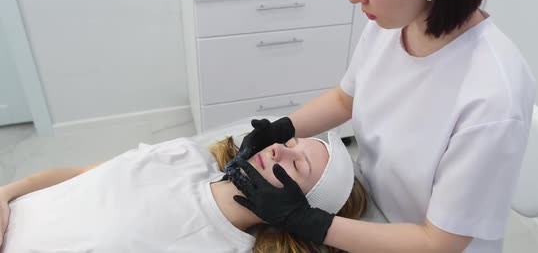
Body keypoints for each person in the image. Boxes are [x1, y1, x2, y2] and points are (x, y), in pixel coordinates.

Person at [226, 0, 536, 252]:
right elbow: (345, 100)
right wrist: (281, 129)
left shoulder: (491, 98)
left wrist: (307, 221)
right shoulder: (397, 21)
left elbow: (438, 242)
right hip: (375, 212)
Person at [0, 132, 367, 253]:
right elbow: (81, 175)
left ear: (295, 209)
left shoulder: (221, 246)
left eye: (296, 165)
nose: (278, 150)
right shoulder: (186, 153)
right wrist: (7, 192)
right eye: (289, 142)